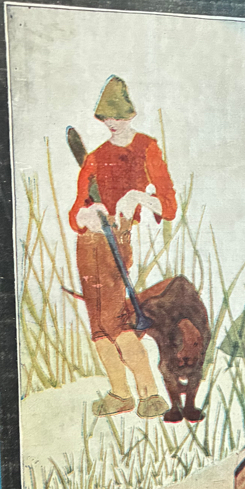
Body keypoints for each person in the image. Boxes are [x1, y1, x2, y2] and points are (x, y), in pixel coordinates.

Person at [69, 75, 177, 418]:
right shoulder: (95, 157)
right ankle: (120, 394)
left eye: (118, 116)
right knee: (99, 325)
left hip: (120, 237)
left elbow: (169, 206)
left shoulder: (146, 148)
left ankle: (150, 395)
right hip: (89, 243)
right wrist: (87, 214)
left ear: (130, 115)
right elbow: (76, 210)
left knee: (115, 321)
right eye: (106, 117)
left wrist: (136, 197)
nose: (112, 123)